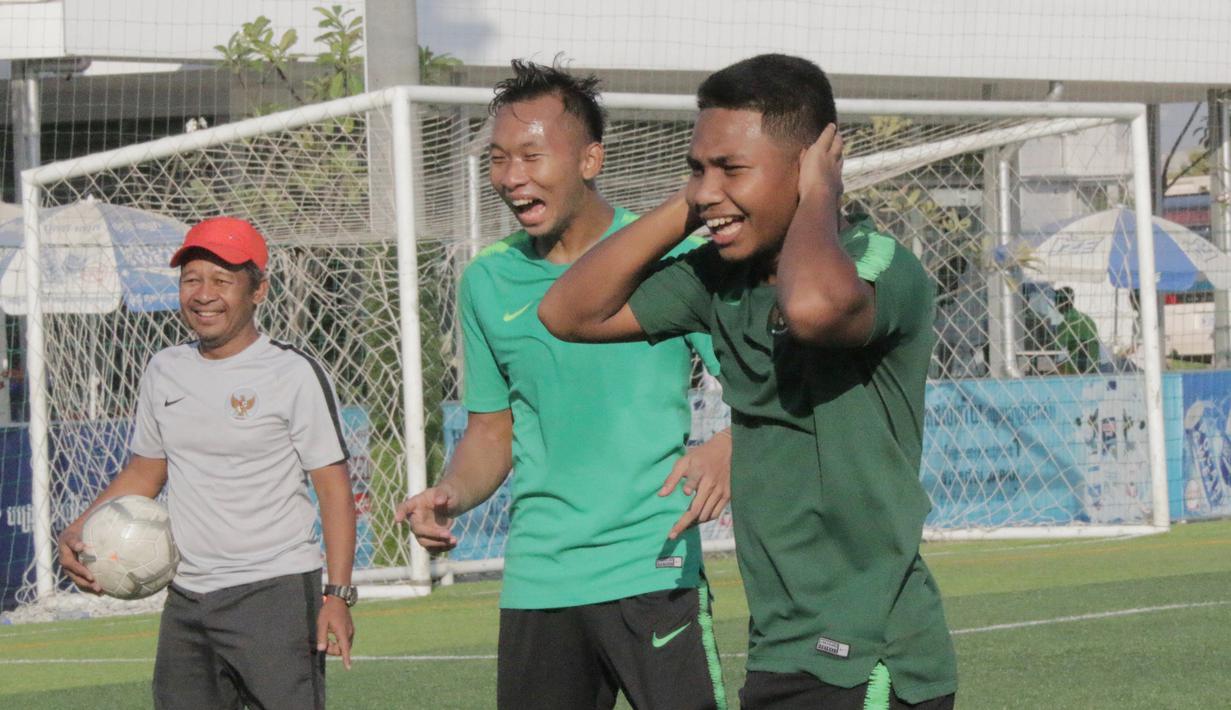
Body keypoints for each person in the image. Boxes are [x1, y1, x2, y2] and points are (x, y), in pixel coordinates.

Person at [540, 54, 958, 709]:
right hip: (780, 650)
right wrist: (694, 206)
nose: (707, 188)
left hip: (870, 657)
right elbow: (567, 312)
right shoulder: (715, 277)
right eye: (696, 168)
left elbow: (814, 310)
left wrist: (820, 192)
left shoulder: (874, 265)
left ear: (809, 163)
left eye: (731, 169)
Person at [394, 60, 731, 710]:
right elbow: (492, 428)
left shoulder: (671, 257)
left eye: (531, 155)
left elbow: (759, 387)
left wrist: (727, 445)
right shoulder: (486, 282)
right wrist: (450, 492)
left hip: (650, 560)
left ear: (589, 159)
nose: (511, 177)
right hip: (540, 574)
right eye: (497, 159)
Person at [57, 216, 357, 710]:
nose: (203, 294)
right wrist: (80, 528)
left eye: (222, 280)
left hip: (274, 592)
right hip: (187, 597)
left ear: (258, 290)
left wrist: (338, 596)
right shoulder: (164, 369)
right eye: (191, 278)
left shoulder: (292, 373)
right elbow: (145, 471)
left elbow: (334, 489)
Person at [1055, 286, 1100, 374]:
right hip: (1095, 364)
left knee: (1054, 369)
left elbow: (1055, 347)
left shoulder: (1067, 321)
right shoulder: (1086, 318)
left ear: (1058, 303)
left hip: (1080, 365)